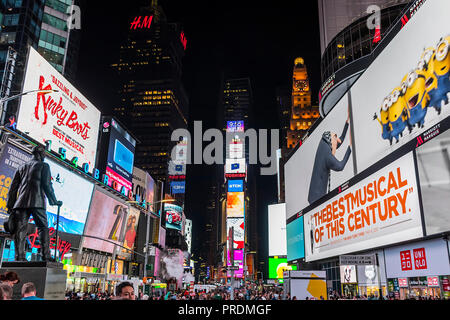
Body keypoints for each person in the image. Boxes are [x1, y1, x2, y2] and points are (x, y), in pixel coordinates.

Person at [6, 145, 62, 261]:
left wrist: (10, 205)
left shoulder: (21, 167)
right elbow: (47, 185)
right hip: (37, 202)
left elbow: (13, 189)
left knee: (20, 229)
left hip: (20, 203)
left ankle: (19, 257)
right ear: (41, 154)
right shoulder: (44, 166)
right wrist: (54, 201)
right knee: (43, 227)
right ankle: (45, 256)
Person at [308, 114, 352, 205]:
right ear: (331, 140)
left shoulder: (324, 143)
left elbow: (340, 140)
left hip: (314, 196)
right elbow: (340, 166)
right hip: (317, 198)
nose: (338, 142)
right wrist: (350, 147)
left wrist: (347, 122)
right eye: (336, 140)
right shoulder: (326, 154)